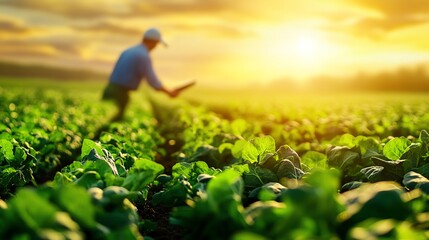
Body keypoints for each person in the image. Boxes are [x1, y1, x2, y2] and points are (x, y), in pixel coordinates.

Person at [102, 28, 181, 122]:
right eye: (156, 44)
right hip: (120, 93)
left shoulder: (128, 51)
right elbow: (153, 81)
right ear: (153, 42)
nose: (156, 47)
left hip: (110, 89)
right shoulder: (143, 56)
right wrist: (169, 92)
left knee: (104, 123)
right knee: (115, 120)